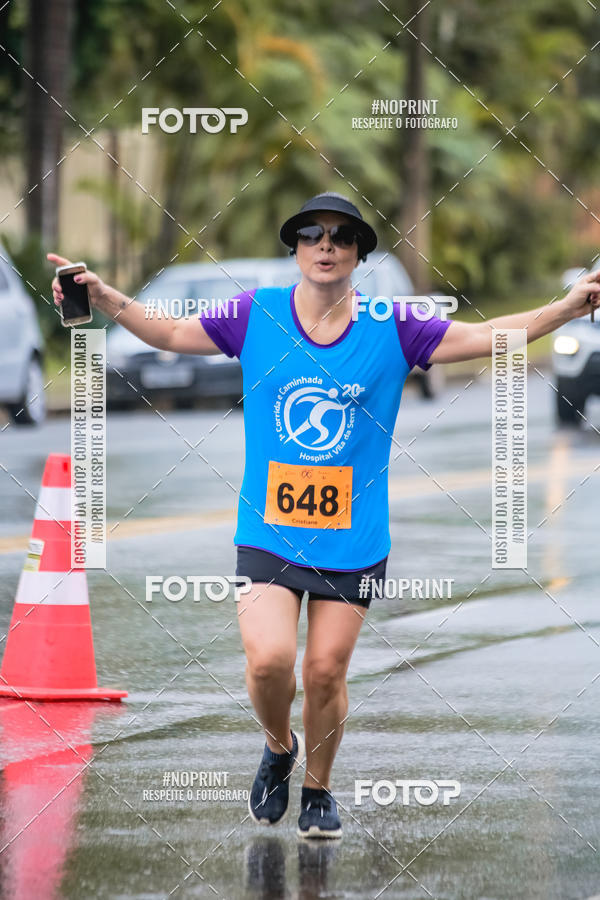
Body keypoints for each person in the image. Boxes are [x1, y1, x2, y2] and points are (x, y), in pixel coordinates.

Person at [49, 191, 600, 840]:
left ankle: (318, 789)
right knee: (269, 662)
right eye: (312, 235)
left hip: (354, 538)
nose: (326, 245)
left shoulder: (393, 326)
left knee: (324, 671)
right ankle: (280, 747)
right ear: (297, 249)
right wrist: (105, 297)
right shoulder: (257, 314)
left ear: (359, 252)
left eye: (341, 236)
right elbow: (169, 332)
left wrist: (566, 308)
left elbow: (485, 337)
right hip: (269, 530)